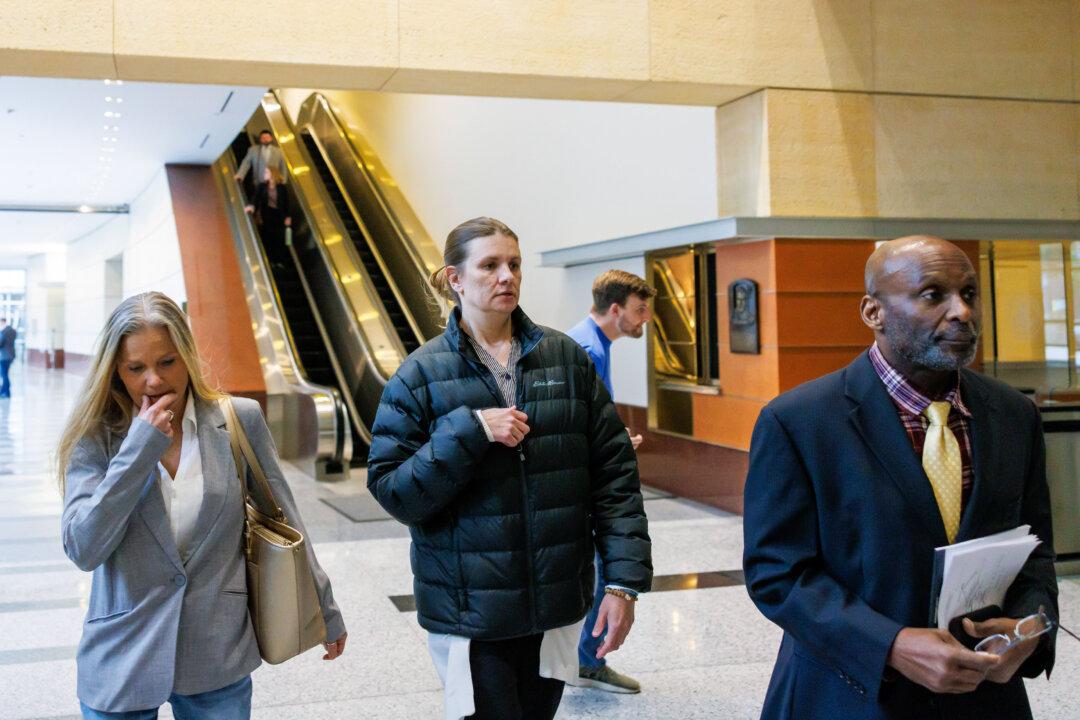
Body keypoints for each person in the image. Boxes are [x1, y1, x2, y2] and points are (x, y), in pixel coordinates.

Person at [742, 236, 1057, 719]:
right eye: (933, 295)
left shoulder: (1013, 415)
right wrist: (890, 644)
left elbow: (1035, 552)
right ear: (873, 312)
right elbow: (777, 574)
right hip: (851, 694)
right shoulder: (799, 421)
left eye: (969, 294)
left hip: (986, 700)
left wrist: (1030, 630)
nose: (962, 313)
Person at [367, 217, 652, 720]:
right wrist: (469, 431)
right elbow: (394, 491)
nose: (507, 276)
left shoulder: (564, 359)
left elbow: (615, 478)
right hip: (470, 612)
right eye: (490, 265)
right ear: (455, 279)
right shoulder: (418, 376)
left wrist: (622, 583)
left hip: (556, 602)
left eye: (514, 264)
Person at [57, 292, 347, 718]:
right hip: (123, 654)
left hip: (217, 650)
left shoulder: (236, 421)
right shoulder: (97, 435)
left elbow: (286, 517)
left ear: (188, 356)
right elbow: (84, 547)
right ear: (115, 370)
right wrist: (138, 449)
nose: (154, 381)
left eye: (168, 362)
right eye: (136, 368)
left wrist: (325, 609)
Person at [565, 269, 655, 694]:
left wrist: (616, 437)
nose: (645, 319)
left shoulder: (592, 342)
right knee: (602, 570)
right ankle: (588, 662)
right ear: (615, 309)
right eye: (639, 310)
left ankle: (581, 657)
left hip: (587, 472)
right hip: (587, 481)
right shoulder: (586, 348)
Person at [245, 165, 292, 248]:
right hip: (267, 214)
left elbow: (287, 203)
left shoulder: (282, 187)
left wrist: (288, 216)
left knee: (281, 238)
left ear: (272, 174)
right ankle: (270, 257)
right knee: (268, 236)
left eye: (266, 172)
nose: (264, 174)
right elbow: (256, 198)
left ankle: (281, 257)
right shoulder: (262, 186)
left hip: (280, 215)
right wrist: (252, 206)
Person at [234, 129, 286, 197]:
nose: (265, 139)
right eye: (263, 138)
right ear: (260, 139)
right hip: (259, 181)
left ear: (271, 138)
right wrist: (240, 175)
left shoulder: (278, 151)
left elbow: (283, 166)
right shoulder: (253, 150)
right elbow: (246, 162)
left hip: (274, 182)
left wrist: (283, 179)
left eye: (267, 137)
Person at [0, 317, 15, 398]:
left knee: (4, 374)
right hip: (11, 355)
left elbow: (0, 343)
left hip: (4, 356)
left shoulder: (3, 332)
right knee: (5, 374)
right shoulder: (12, 331)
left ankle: (6, 392)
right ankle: (3, 391)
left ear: (2, 322)